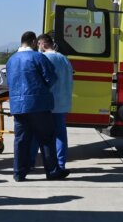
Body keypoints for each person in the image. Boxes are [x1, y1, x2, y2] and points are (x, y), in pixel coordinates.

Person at [6, 30, 68, 182]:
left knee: (21, 140)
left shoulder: (11, 60)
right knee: (46, 138)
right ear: (34, 42)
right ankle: (52, 171)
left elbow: (9, 82)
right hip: (38, 104)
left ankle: (19, 173)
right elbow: (51, 78)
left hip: (18, 106)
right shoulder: (38, 57)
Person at [34, 33, 73, 171]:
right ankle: (61, 164)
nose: (38, 47)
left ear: (43, 44)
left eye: (38, 44)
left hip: (48, 104)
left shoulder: (43, 58)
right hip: (62, 103)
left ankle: (32, 163)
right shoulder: (64, 59)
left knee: (39, 134)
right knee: (60, 135)